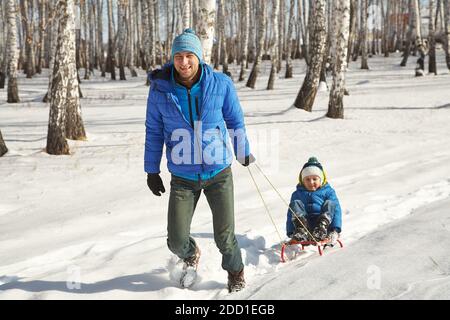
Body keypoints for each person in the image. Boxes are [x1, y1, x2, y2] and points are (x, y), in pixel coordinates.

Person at [144, 28, 255, 293]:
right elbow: (154, 130)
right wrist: (151, 170)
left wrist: (242, 150)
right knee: (176, 239)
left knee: (225, 238)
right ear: (172, 58)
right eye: (178, 56)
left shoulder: (220, 84)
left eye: (189, 55)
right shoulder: (161, 89)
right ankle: (191, 253)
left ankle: (235, 271)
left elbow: (234, 120)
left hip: (218, 172)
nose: (184, 62)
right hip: (183, 176)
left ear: (199, 57)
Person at [286, 157, 342, 243]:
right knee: (295, 204)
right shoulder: (297, 194)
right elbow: (290, 213)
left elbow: (336, 211)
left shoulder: (328, 192)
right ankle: (301, 231)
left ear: (321, 179)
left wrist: (335, 229)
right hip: (305, 225)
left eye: (315, 179)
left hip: (324, 227)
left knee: (330, 204)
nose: (311, 182)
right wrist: (290, 232)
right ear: (302, 181)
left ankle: (321, 228)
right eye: (307, 179)